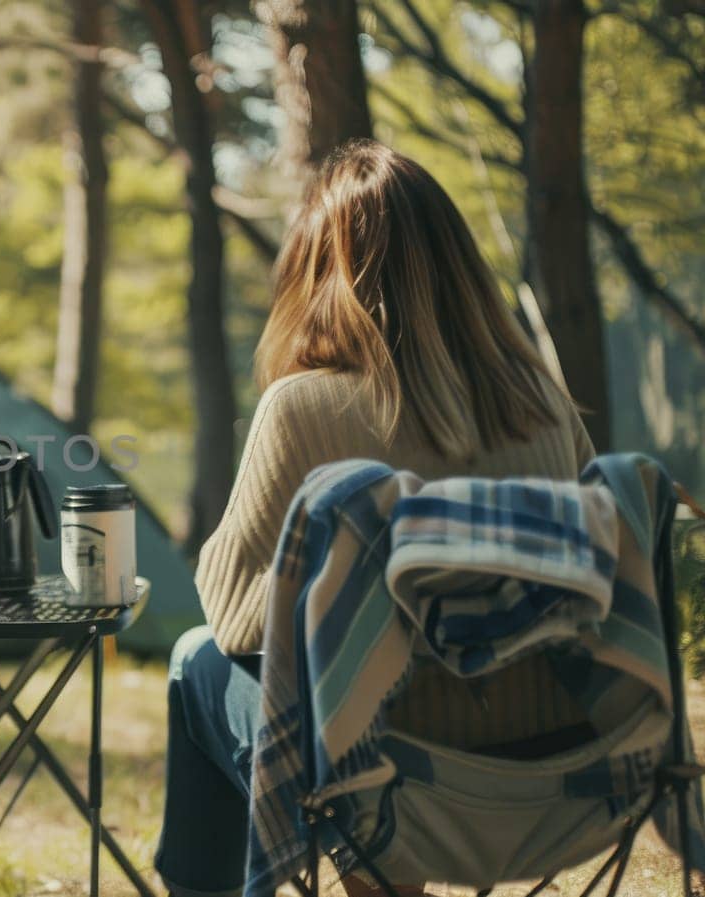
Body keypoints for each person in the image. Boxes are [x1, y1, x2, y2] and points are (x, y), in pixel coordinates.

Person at [155, 140, 594, 897]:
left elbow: (239, 621)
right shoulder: (546, 406)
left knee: (197, 657)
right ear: (460, 269)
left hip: (381, 773)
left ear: (319, 269)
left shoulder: (304, 406)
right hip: (547, 767)